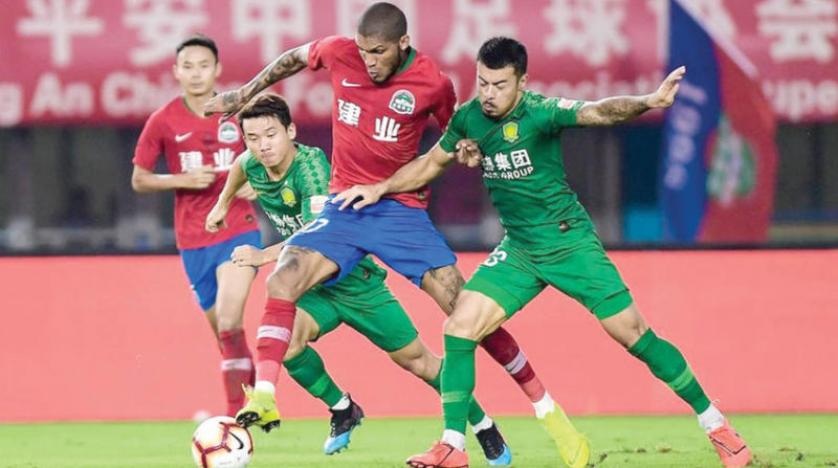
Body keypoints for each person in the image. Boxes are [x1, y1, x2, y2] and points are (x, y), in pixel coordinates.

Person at [335, 37, 752, 468]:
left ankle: (716, 425)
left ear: (522, 82)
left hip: (569, 243)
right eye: (483, 83)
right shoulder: (468, 120)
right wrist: (380, 188)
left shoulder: (541, 113)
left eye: (499, 85)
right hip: (519, 248)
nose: (489, 94)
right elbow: (428, 164)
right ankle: (453, 446)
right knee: (459, 327)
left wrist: (648, 101)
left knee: (634, 335)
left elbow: (599, 111)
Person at [203, 5, 587, 464]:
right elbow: (292, 58)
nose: (368, 61)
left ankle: (545, 409)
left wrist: (466, 150)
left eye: (379, 52)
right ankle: (267, 394)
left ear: (403, 43)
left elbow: (454, 135)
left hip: (400, 211)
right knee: (282, 278)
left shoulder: (433, 83)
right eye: (363, 51)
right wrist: (244, 92)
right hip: (346, 207)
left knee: (467, 312)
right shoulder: (339, 53)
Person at [205, 93, 512, 464]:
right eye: (253, 138)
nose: (262, 146)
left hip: (356, 282)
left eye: (271, 135)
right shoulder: (251, 162)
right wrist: (221, 204)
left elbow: (315, 235)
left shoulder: (311, 168)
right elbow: (239, 166)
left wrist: (262, 256)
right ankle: (342, 408)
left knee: (419, 362)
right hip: (312, 289)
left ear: (291, 131)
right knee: (288, 343)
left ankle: (483, 425)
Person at [131, 35, 261, 417]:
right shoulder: (163, 120)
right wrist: (180, 180)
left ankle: (234, 419)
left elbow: (275, 154)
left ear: (217, 69)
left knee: (230, 320)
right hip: (192, 239)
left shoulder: (238, 113)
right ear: (176, 72)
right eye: (188, 66)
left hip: (238, 228)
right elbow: (139, 179)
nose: (196, 73)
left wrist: (260, 182)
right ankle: (258, 400)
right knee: (225, 336)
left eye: (204, 65)